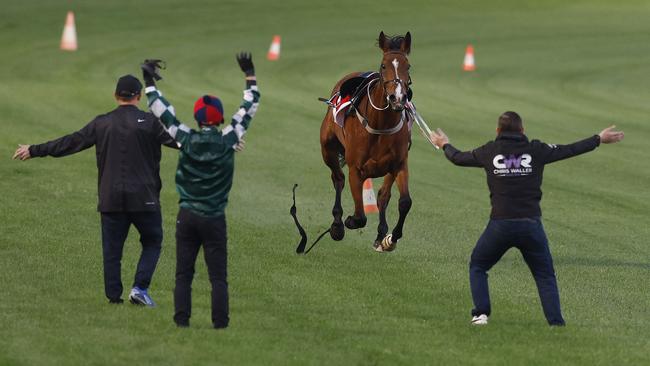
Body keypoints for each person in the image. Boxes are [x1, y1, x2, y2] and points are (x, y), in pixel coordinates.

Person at [429, 111, 624, 326]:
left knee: (478, 265)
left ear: (497, 131)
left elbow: (458, 158)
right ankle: (556, 323)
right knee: (545, 275)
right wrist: (598, 139)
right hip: (531, 225)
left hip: (500, 225)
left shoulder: (489, 151)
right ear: (522, 130)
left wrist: (444, 144)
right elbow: (570, 150)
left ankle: (481, 315)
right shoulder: (536, 150)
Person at [13, 75, 178, 306]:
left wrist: (34, 149)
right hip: (144, 198)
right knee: (152, 241)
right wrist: (224, 144)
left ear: (115, 96)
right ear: (139, 97)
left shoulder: (102, 123)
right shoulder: (151, 122)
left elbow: (70, 142)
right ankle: (140, 288)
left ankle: (113, 299)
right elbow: (183, 141)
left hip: (110, 198)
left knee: (112, 251)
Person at [141, 52, 260, 329]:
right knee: (218, 276)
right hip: (215, 217)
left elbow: (161, 109)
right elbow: (250, 104)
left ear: (197, 117)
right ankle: (220, 324)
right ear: (219, 120)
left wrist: (149, 81)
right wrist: (250, 74)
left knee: (183, 273)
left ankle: (181, 321)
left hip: (187, 215)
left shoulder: (185, 137)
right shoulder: (229, 139)